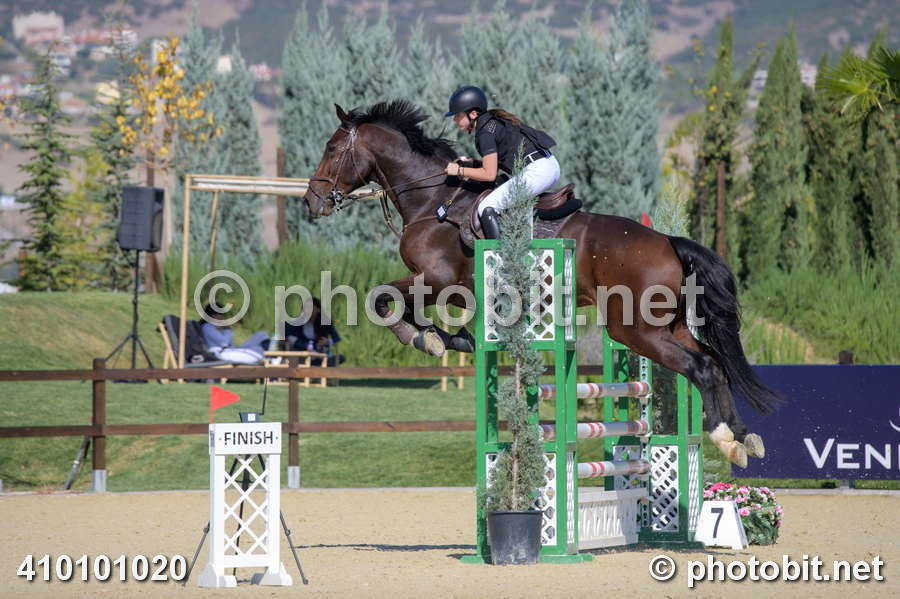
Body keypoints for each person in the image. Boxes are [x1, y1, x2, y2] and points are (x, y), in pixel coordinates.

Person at [443, 85, 560, 239]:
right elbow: (494, 165)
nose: (454, 119)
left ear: (473, 114)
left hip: (537, 171)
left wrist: (459, 170)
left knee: (486, 207)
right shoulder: (493, 122)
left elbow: (489, 174)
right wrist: (475, 163)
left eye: (458, 115)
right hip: (548, 165)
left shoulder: (485, 132)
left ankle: (500, 253)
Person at [284, 297, 345, 367]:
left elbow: (336, 338)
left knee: (340, 357)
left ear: (318, 309)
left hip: (320, 353)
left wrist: (327, 341)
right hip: (304, 353)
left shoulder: (325, 322)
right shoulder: (298, 322)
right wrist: (305, 345)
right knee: (295, 356)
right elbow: (290, 337)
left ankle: (323, 363)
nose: (307, 310)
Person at [200, 304, 271, 365]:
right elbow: (224, 343)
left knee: (261, 334)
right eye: (220, 314)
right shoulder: (207, 327)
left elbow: (230, 343)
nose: (222, 317)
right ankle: (270, 358)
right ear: (213, 315)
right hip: (221, 353)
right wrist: (227, 329)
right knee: (258, 349)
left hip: (230, 351)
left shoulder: (215, 327)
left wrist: (225, 330)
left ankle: (270, 355)